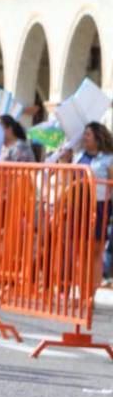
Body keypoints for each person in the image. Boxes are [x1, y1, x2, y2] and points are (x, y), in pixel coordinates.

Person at [77, 122, 113, 286]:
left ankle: (91, 291)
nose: (84, 137)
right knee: (80, 249)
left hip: (99, 206)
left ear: (98, 137)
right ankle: (81, 289)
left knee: (96, 250)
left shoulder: (108, 158)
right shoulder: (78, 155)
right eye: (84, 134)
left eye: (88, 134)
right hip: (79, 205)